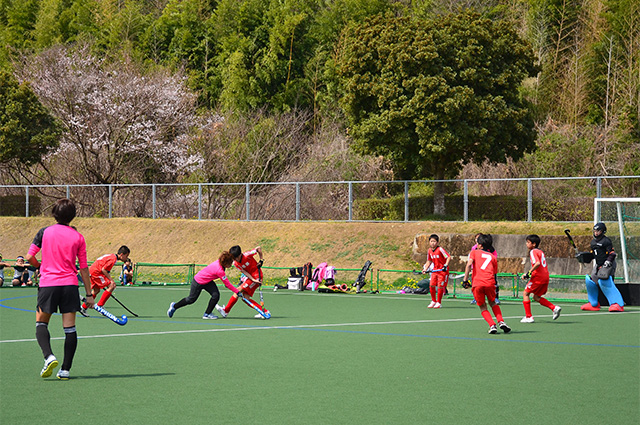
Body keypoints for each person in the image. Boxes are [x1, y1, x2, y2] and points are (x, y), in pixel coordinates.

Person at [25, 198, 94, 380]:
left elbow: (29, 256)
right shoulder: (78, 237)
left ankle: (49, 357)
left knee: (41, 324)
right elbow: (84, 268)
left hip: (48, 284)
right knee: (70, 329)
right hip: (69, 285)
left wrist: (40, 266)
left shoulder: (44, 232)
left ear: (54, 213)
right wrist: (89, 295)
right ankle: (65, 370)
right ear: (73, 216)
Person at [167, 251, 237, 319]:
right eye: (230, 263)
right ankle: (174, 306)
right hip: (198, 281)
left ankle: (207, 314)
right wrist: (237, 292)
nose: (231, 264)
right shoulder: (219, 270)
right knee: (191, 300)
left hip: (207, 281)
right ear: (225, 263)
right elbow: (227, 284)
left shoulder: (220, 263)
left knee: (216, 295)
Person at [463, 234, 511, 334]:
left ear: (480, 245)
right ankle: (501, 321)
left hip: (478, 283)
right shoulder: (492, 257)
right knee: (492, 302)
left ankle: (492, 325)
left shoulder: (474, 252)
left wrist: (465, 280)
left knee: (482, 306)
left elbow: (468, 265)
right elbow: (494, 273)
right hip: (490, 282)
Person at [216, 245, 270, 319]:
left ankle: (226, 311)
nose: (235, 260)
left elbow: (258, 248)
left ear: (240, 254)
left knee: (237, 290)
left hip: (257, 276)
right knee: (246, 299)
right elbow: (244, 271)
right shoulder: (235, 263)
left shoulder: (247, 255)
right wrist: (252, 279)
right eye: (233, 258)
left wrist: (261, 260)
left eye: (236, 258)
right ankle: (264, 311)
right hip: (252, 278)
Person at [581, 222, 624, 312]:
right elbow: (593, 255)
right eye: (595, 231)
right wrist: (583, 257)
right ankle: (593, 303)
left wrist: (608, 262)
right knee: (590, 282)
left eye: (598, 231)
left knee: (605, 282)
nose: (596, 233)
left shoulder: (606, 241)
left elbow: (612, 253)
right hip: (598, 264)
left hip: (608, 264)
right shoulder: (593, 242)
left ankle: (617, 303)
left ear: (603, 231)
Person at [520, 235, 561, 323]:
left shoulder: (533, 251)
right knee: (536, 297)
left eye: (528, 242)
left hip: (538, 277)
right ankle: (554, 308)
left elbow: (537, 263)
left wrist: (528, 274)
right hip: (545, 276)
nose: (526, 244)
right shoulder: (540, 252)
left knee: (525, 293)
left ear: (534, 244)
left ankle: (529, 317)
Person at [80, 246, 130, 315]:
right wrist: (111, 280)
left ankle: (83, 308)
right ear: (121, 254)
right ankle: (100, 305)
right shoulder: (113, 259)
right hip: (97, 272)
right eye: (126, 256)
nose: (126, 258)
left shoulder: (112, 256)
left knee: (96, 290)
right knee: (112, 285)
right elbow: (104, 270)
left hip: (92, 270)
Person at [469, 233, 499, 304]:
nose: (477, 239)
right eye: (476, 238)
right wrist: (473, 268)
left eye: (478, 238)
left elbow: (494, 257)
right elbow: (471, 260)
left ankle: (496, 297)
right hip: (478, 270)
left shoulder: (491, 249)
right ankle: (476, 298)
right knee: (476, 285)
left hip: (488, 271)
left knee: (494, 284)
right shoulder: (474, 249)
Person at [421, 234, 450, 309]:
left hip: (442, 271)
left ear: (437, 242)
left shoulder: (440, 249)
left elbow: (448, 257)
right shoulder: (429, 250)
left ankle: (439, 302)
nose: (433, 243)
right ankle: (433, 300)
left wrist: (445, 265)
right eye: (431, 241)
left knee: (440, 286)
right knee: (431, 285)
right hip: (435, 270)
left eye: (434, 241)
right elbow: (429, 261)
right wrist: (425, 269)